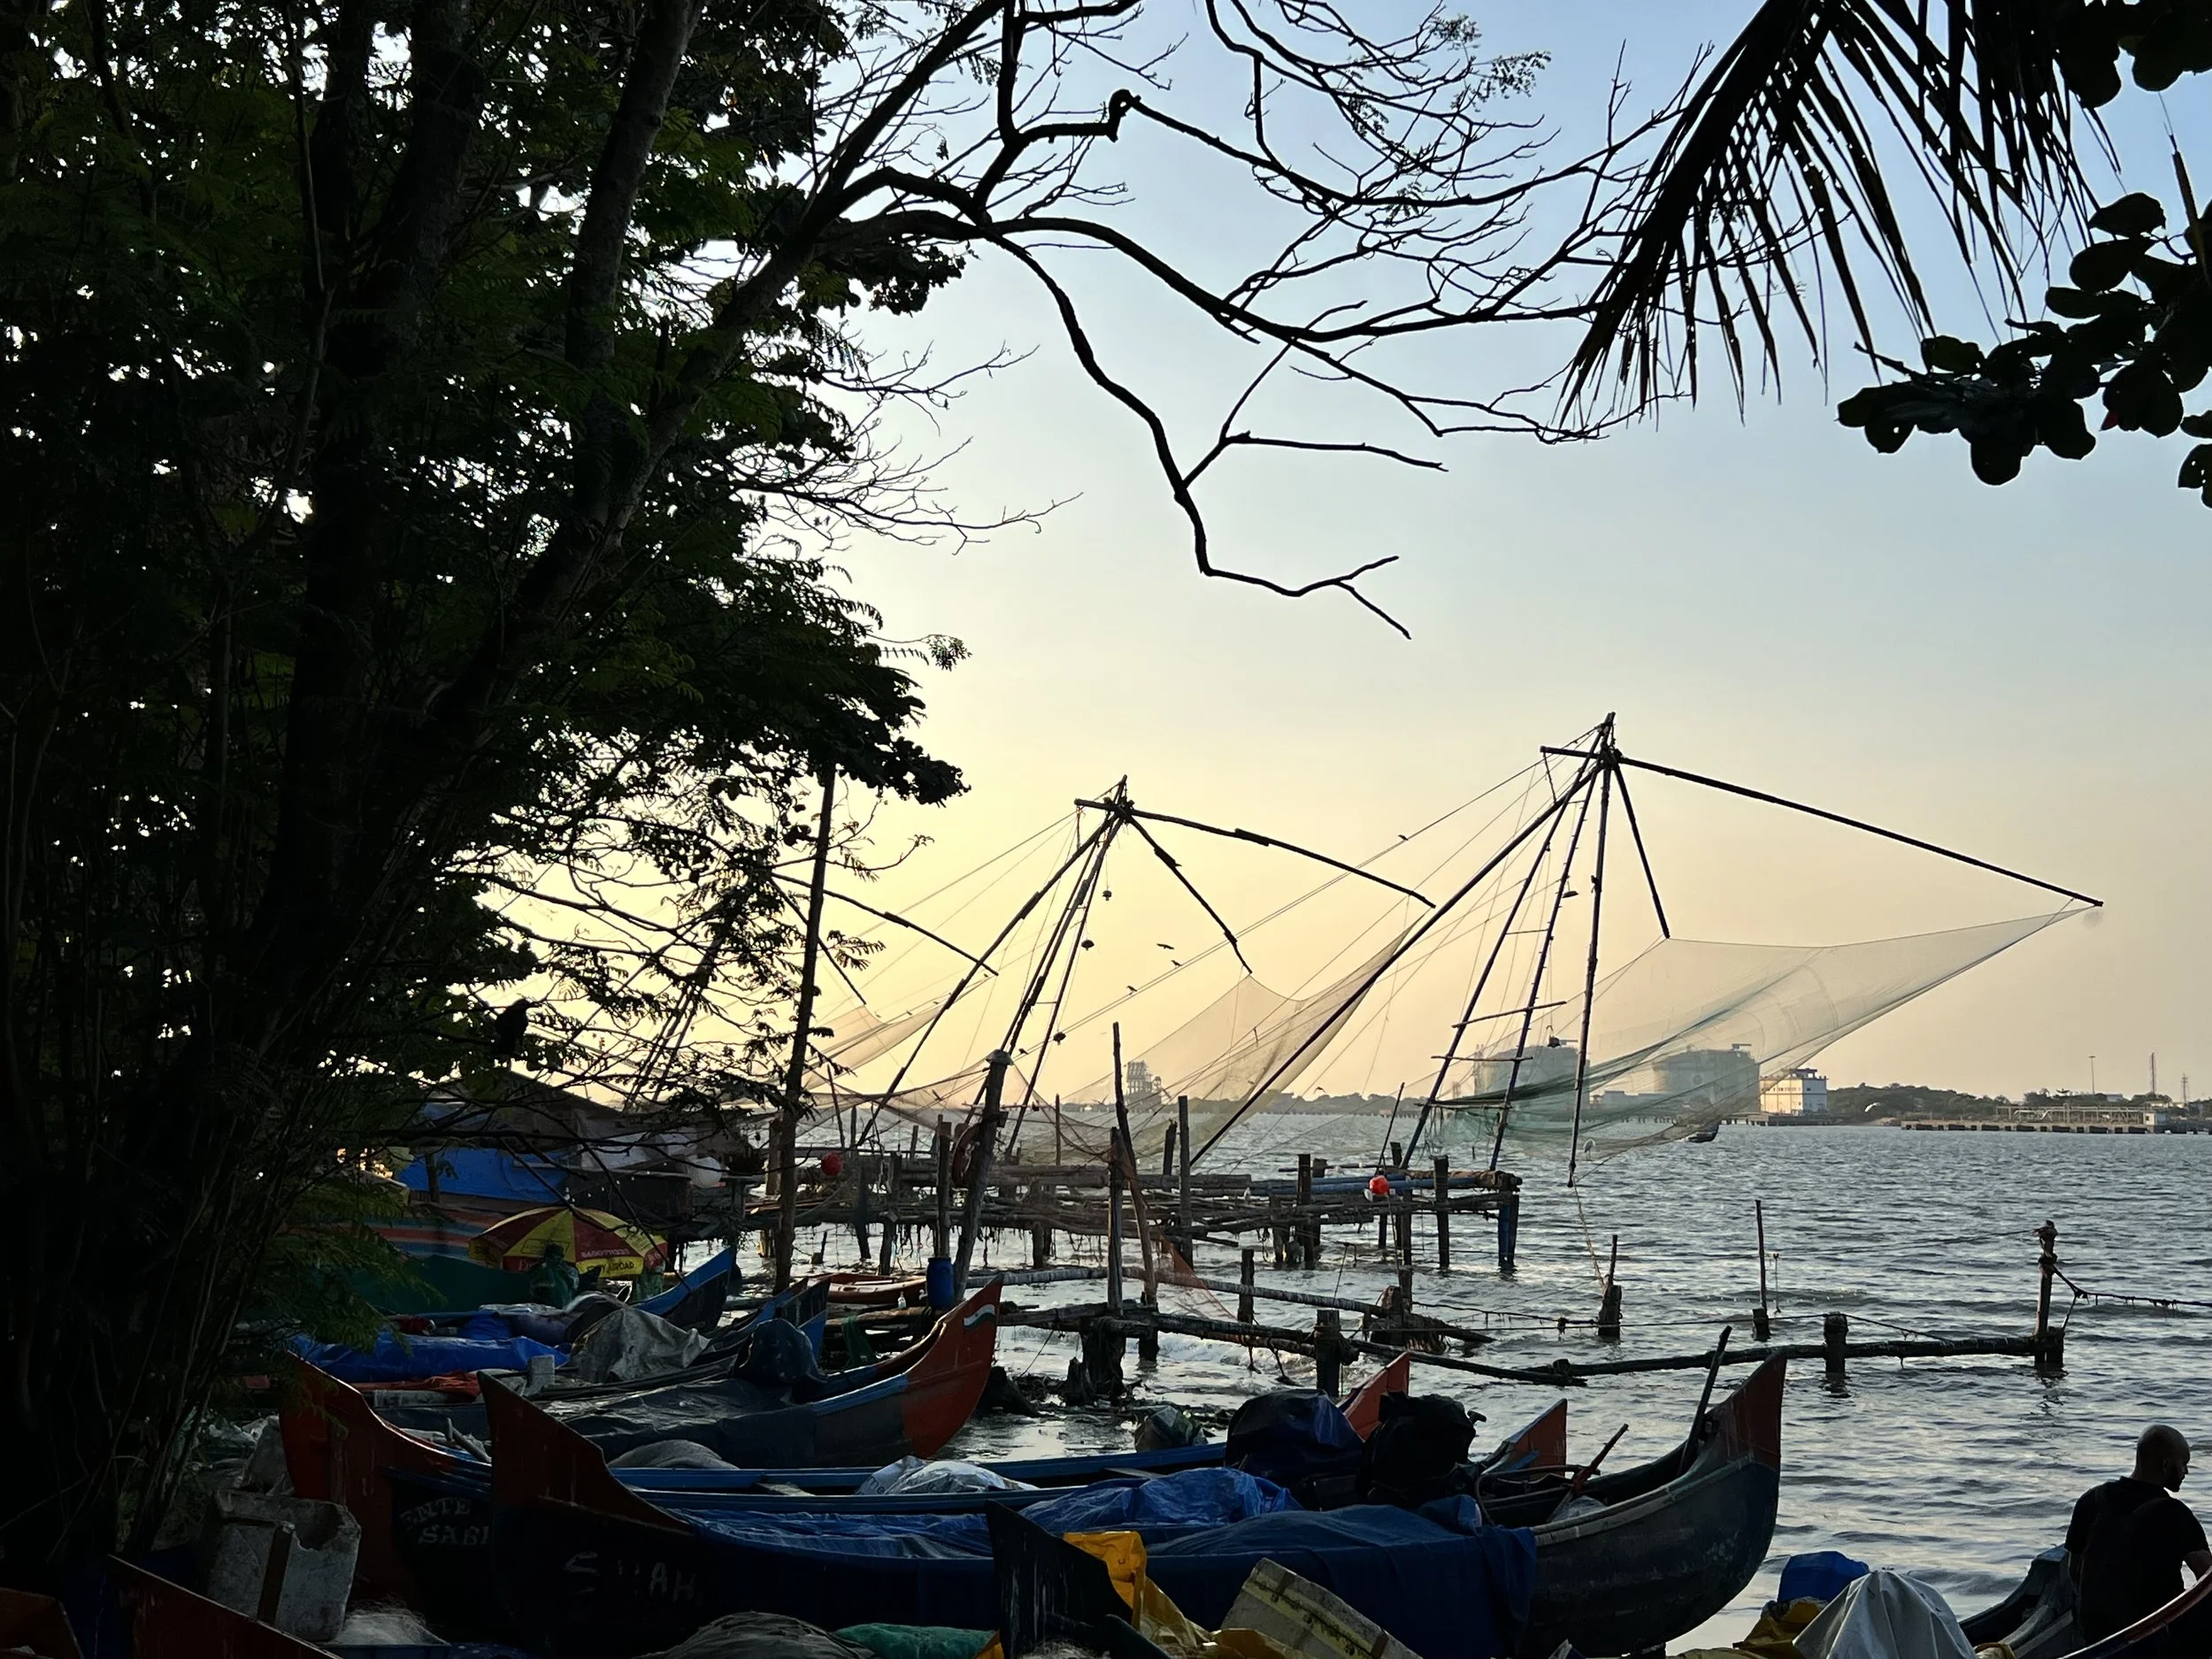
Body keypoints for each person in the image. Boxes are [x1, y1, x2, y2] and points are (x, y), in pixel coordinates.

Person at [2068, 1424, 2212, 1641]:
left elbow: (2074, 1570)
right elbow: (2207, 1582)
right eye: (2184, 1464)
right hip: (2151, 1635)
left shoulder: (2092, 1500)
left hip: (2096, 1632)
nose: (2186, 1472)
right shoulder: (2175, 1514)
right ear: (2166, 1465)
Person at [528, 1240, 580, 1308]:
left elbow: (552, 1283)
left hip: (560, 1306)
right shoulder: (542, 1268)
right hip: (550, 1306)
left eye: (557, 1256)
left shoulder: (566, 1270)